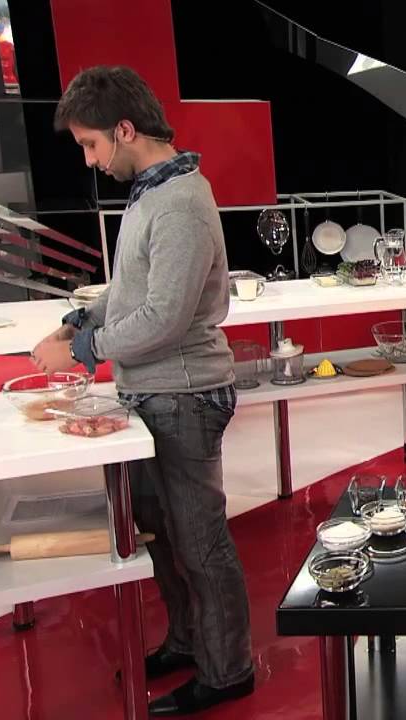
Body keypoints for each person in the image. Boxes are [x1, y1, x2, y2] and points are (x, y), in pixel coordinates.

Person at [31, 65, 254, 716]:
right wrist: (80, 319)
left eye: (91, 144)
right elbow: (131, 290)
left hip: (184, 397)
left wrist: (83, 351)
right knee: (163, 535)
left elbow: (163, 318)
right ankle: (188, 640)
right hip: (151, 397)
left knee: (199, 542)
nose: (89, 159)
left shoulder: (180, 201)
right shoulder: (151, 193)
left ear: (125, 130)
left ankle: (228, 669)